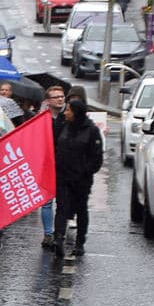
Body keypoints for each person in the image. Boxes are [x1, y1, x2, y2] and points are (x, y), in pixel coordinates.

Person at [53, 99, 103, 258]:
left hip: (81, 179)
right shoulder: (62, 126)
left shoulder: (92, 131)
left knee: (81, 209)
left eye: (69, 110)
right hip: (62, 176)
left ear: (76, 113)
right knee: (61, 207)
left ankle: (80, 242)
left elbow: (96, 158)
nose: (65, 112)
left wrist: (85, 171)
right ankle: (58, 238)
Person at [38, 84, 67, 249]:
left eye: (62, 96)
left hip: (64, 166)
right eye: (56, 97)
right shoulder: (42, 120)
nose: (60, 99)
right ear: (48, 101)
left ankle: (59, 232)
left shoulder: (67, 117)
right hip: (47, 165)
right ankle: (48, 234)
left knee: (63, 202)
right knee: (47, 201)